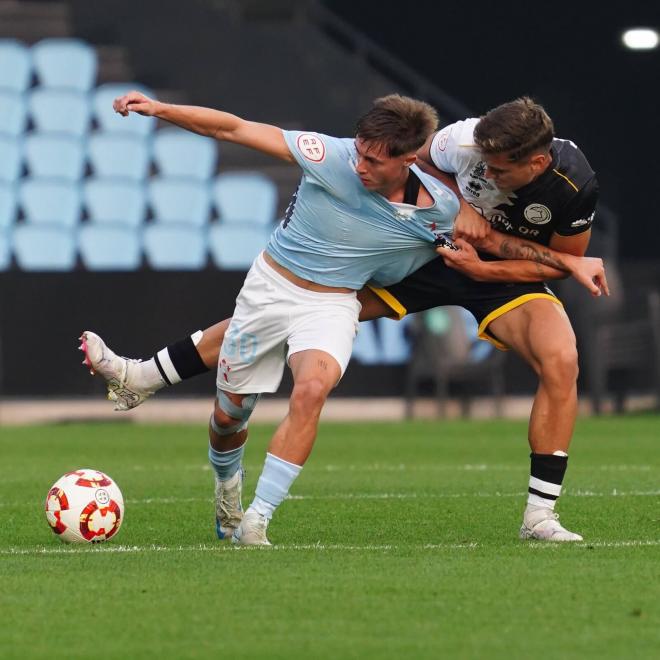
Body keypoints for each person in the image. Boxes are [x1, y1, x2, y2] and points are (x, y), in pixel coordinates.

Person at [81, 95, 608, 545]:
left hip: (482, 264)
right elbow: (244, 129)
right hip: (401, 256)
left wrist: (525, 262)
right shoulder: (452, 144)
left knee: (560, 359)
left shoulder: (560, 189)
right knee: (259, 363)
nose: (484, 176)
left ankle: (539, 515)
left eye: (498, 171)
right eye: (481, 165)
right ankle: (145, 378)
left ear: (535, 166)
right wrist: (162, 110)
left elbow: (533, 256)